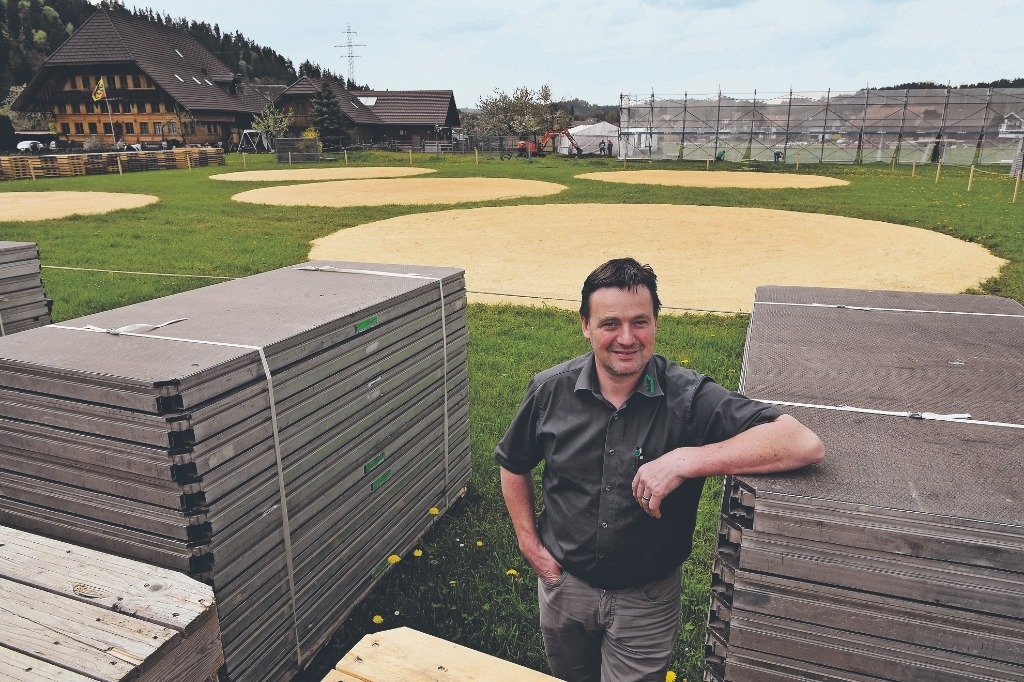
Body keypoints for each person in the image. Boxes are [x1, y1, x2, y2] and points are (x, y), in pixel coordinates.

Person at [495, 257, 824, 682]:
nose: (627, 338)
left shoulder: (688, 397)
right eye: (610, 323)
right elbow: (514, 463)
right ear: (585, 325)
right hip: (564, 588)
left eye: (641, 322)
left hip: (646, 600)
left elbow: (802, 443)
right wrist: (529, 544)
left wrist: (686, 460)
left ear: (656, 323)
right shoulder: (549, 390)